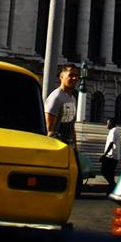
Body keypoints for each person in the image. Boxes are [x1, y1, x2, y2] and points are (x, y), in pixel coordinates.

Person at [44, 64, 81, 195]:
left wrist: (75, 148)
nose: (75, 78)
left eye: (77, 75)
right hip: (57, 147)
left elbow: (72, 125)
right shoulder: (55, 97)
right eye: (71, 75)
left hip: (69, 147)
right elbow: (48, 128)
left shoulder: (72, 98)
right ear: (61, 76)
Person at [100, 118, 120, 195]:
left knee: (104, 171)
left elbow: (111, 143)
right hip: (112, 156)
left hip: (111, 156)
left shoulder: (114, 131)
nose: (106, 125)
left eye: (107, 123)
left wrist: (104, 155)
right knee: (110, 174)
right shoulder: (114, 131)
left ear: (111, 124)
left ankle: (113, 186)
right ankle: (111, 189)